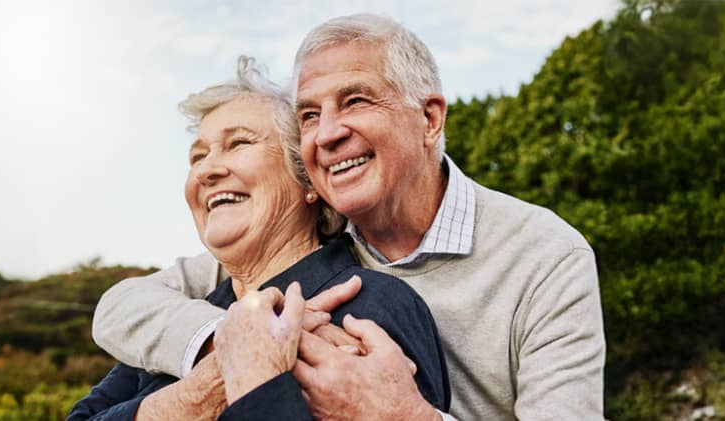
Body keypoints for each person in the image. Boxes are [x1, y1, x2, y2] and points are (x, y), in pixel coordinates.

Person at [93, 14, 605, 420]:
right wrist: (227, 342)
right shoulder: (293, 250)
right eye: (310, 115)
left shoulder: (545, 255)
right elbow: (123, 306)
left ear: (429, 119)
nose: (326, 134)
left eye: (355, 100)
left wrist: (411, 419)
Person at [69, 56, 450, 420]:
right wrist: (195, 397)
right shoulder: (186, 320)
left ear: (307, 180)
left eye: (238, 143)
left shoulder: (369, 305)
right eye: (197, 157)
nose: (207, 171)